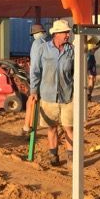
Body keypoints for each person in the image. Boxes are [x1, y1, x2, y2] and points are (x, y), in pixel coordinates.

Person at [28, 19, 74, 166]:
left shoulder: (71, 50)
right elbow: (35, 70)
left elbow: (76, 72)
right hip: (48, 95)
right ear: (56, 34)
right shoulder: (43, 49)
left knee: (69, 127)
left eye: (68, 32)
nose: (67, 35)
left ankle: (71, 158)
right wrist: (34, 90)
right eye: (65, 32)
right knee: (52, 127)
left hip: (67, 95)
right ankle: (53, 156)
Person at [23, 22, 47, 134]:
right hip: (47, 78)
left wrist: (34, 87)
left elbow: (35, 67)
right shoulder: (48, 42)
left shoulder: (37, 44)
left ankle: (27, 126)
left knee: (31, 100)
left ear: (35, 34)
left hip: (40, 79)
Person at [85, 36, 100, 100]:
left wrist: (94, 49)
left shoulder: (92, 36)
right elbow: (75, 46)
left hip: (91, 57)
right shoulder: (80, 34)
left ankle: (89, 95)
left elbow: (99, 43)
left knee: (92, 78)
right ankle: (83, 94)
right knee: (83, 78)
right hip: (84, 57)